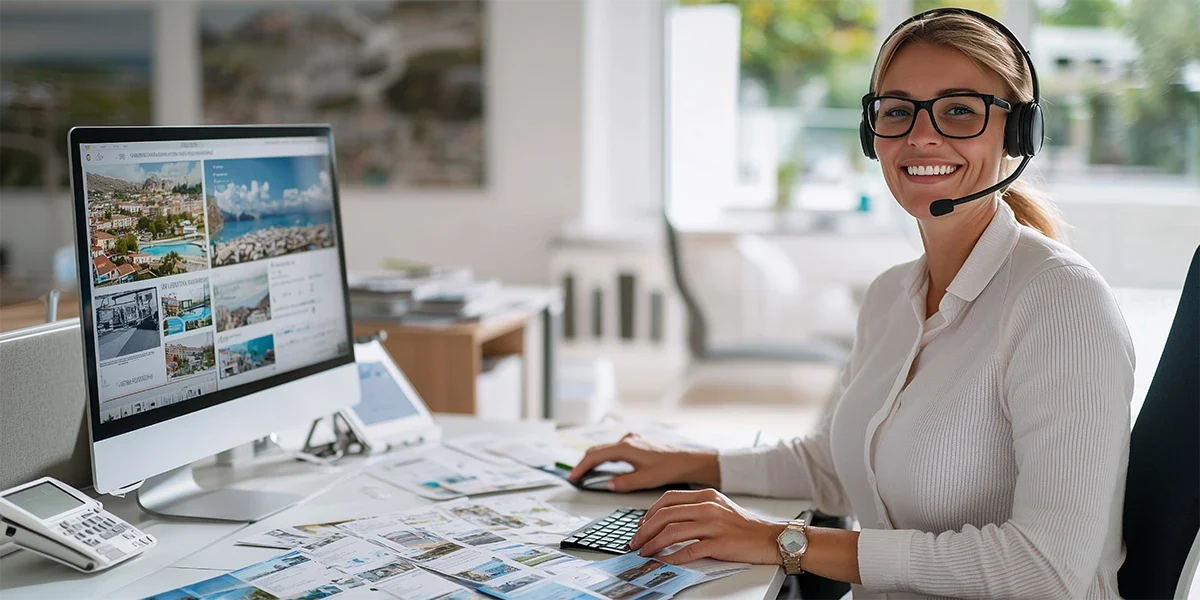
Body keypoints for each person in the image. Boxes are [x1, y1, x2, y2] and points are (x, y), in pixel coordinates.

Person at [569, 8, 1134, 599]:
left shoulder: (1062, 304)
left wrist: (782, 542)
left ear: (1019, 134)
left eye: (960, 110)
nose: (921, 135)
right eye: (897, 112)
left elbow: (1048, 569)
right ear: (873, 135)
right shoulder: (892, 295)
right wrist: (689, 462)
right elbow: (839, 464)